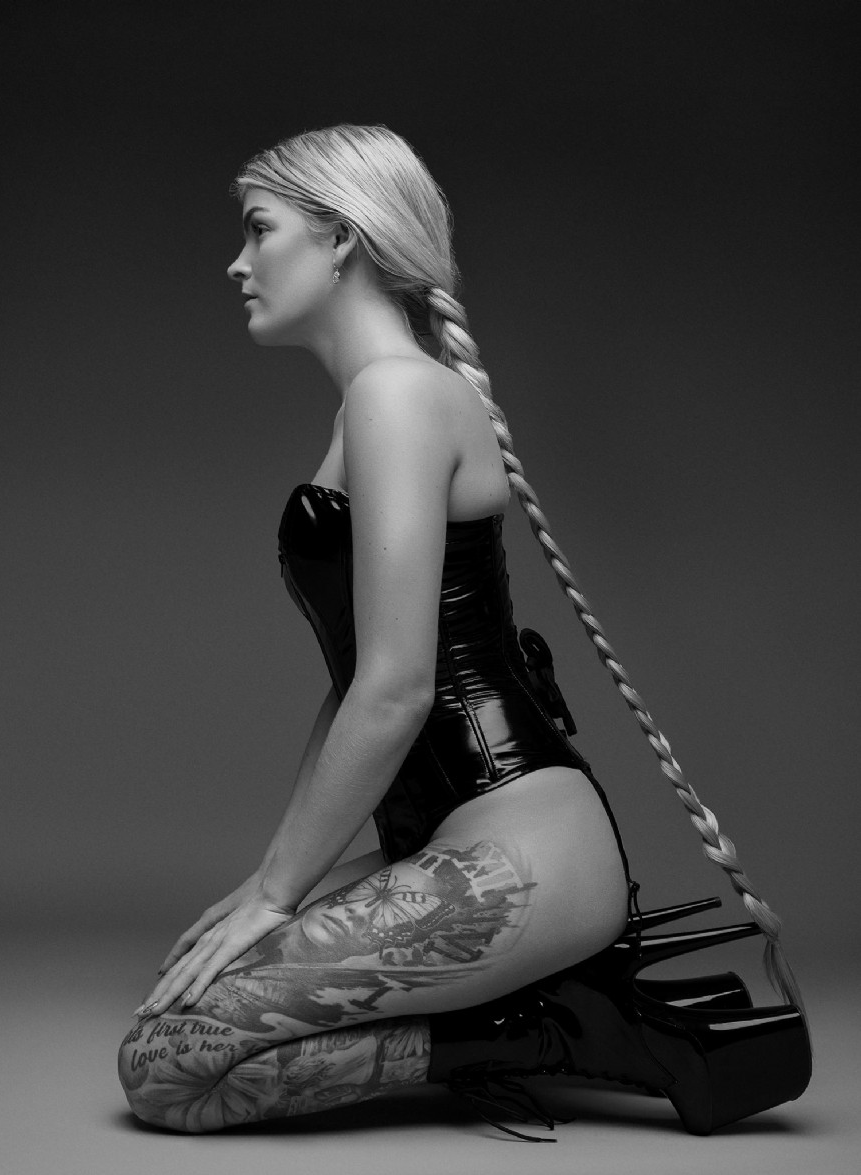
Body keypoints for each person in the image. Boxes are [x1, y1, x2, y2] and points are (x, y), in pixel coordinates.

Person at [117, 124, 809, 1138]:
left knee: (167, 1069)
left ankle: (553, 1029)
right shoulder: (371, 406)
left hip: (522, 846)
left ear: (341, 239)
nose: (237, 261)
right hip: (450, 841)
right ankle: (540, 1011)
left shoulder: (398, 395)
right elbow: (356, 679)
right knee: (171, 1028)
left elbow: (397, 689)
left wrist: (278, 893)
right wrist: (274, 876)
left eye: (259, 230)